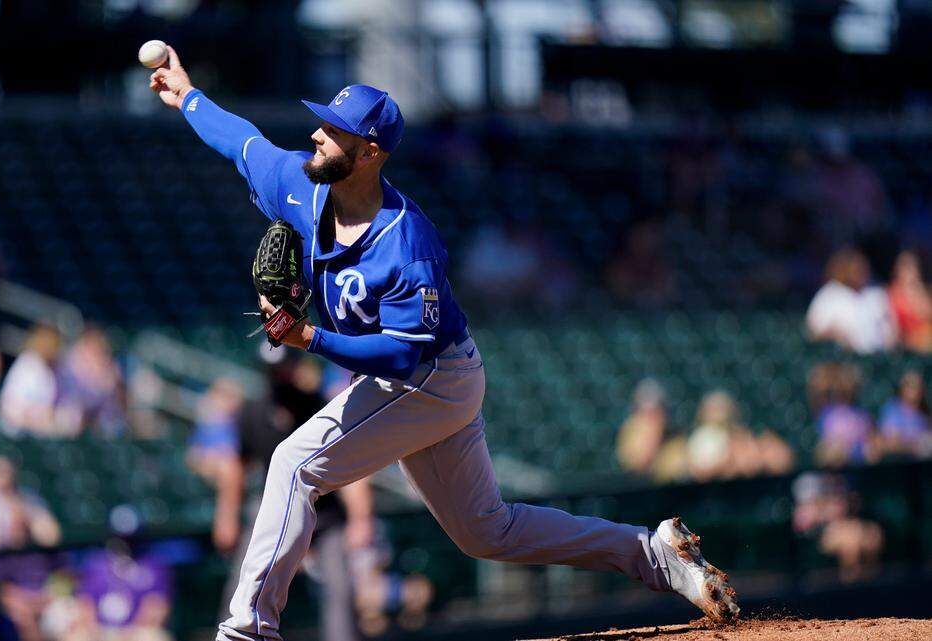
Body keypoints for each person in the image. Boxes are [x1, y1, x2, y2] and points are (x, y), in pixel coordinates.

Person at [148, 46, 739, 641]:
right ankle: (653, 554)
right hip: (411, 382)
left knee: (294, 463)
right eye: (322, 123)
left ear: (370, 152)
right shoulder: (301, 187)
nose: (317, 135)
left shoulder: (407, 243)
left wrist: (309, 337)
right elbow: (242, 142)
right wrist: (188, 95)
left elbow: (403, 356)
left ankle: (247, 629)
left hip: (433, 377)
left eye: (333, 130)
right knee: (488, 533)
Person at [209, 350, 368, 641]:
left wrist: (360, 518)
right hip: (277, 510)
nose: (279, 374)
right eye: (274, 368)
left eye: (284, 366)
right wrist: (227, 516)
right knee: (245, 585)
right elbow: (236, 468)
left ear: (294, 367)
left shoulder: (316, 404)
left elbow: (350, 462)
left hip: (324, 511)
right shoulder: (253, 411)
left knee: (340, 590)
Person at [0, 455, 62, 641]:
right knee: (24, 618)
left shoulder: (28, 500)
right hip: (12, 599)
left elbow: (51, 537)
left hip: (43, 596)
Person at [805, 248, 897, 354]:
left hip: (877, 357)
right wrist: (836, 336)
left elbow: (890, 328)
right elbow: (813, 331)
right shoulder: (830, 294)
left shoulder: (875, 293)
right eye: (856, 268)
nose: (860, 272)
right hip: (842, 359)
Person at [0, 324, 63, 437]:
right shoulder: (28, 364)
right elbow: (11, 406)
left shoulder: (48, 369)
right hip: (14, 433)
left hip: (34, 435)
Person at [877, 369, 932, 458]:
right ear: (903, 388)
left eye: (919, 387)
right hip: (899, 463)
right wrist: (918, 446)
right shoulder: (893, 410)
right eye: (911, 386)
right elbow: (890, 444)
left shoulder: (924, 411)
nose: (916, 391)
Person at [886, 251, 932, 353]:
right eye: (906, 268)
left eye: (912, 267)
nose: (910, 272)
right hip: (910, 348)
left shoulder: (923, 290)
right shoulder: (894, 294)